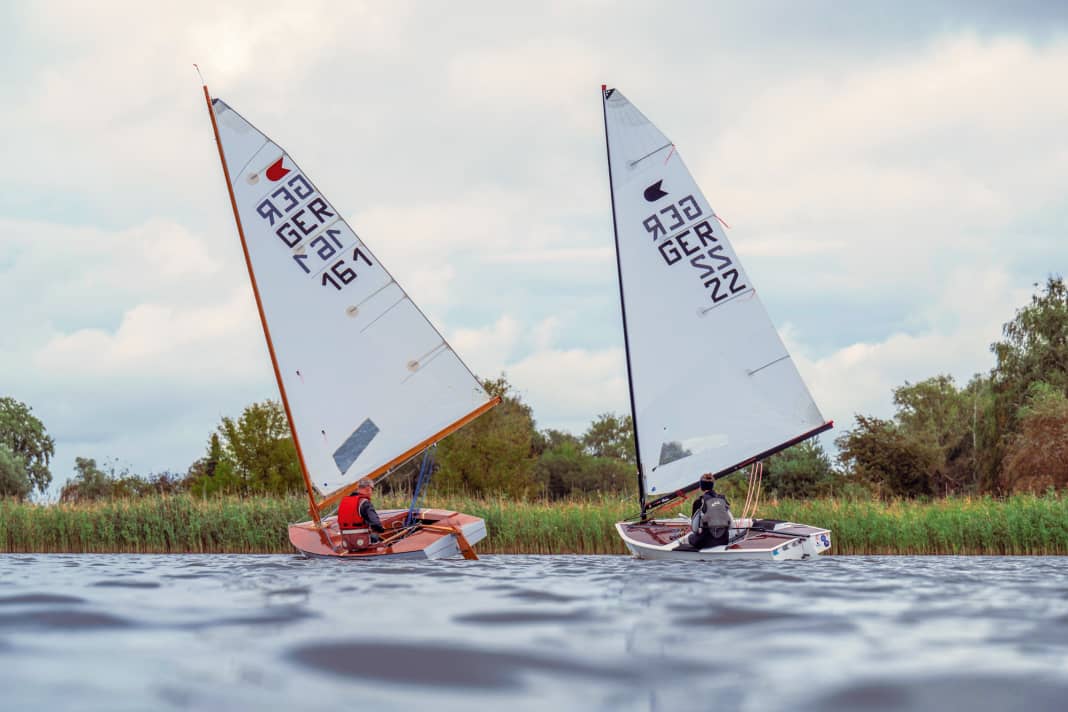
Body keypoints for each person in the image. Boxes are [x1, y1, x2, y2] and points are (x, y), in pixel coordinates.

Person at [682, 473, 733, 550]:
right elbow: (731, 524)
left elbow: (695, 528)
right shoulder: (723, 499)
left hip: (705, 542)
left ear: (701, 486)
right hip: (724, 540)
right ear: (712, 485)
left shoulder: (699, 501)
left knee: (689, 537)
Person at [338, 478, 386, 551]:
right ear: (368, 489)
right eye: (372, 489)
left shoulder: (344, 502)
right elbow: (376, 524)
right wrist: (381, 529)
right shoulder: (365, 503)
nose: (372, 492)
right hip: (361, 543)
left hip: (347, 543)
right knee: (379, 538)